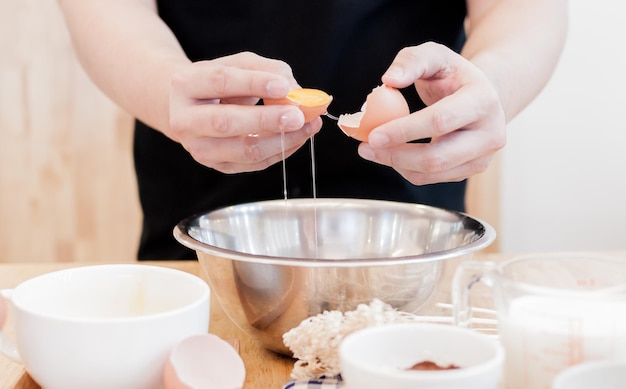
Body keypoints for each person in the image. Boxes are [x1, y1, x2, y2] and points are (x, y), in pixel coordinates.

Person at [58, 0, 567, 260]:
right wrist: (162, 85)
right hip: (202, 229)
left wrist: (491, 86)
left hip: (411, 234)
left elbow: (519, 9)